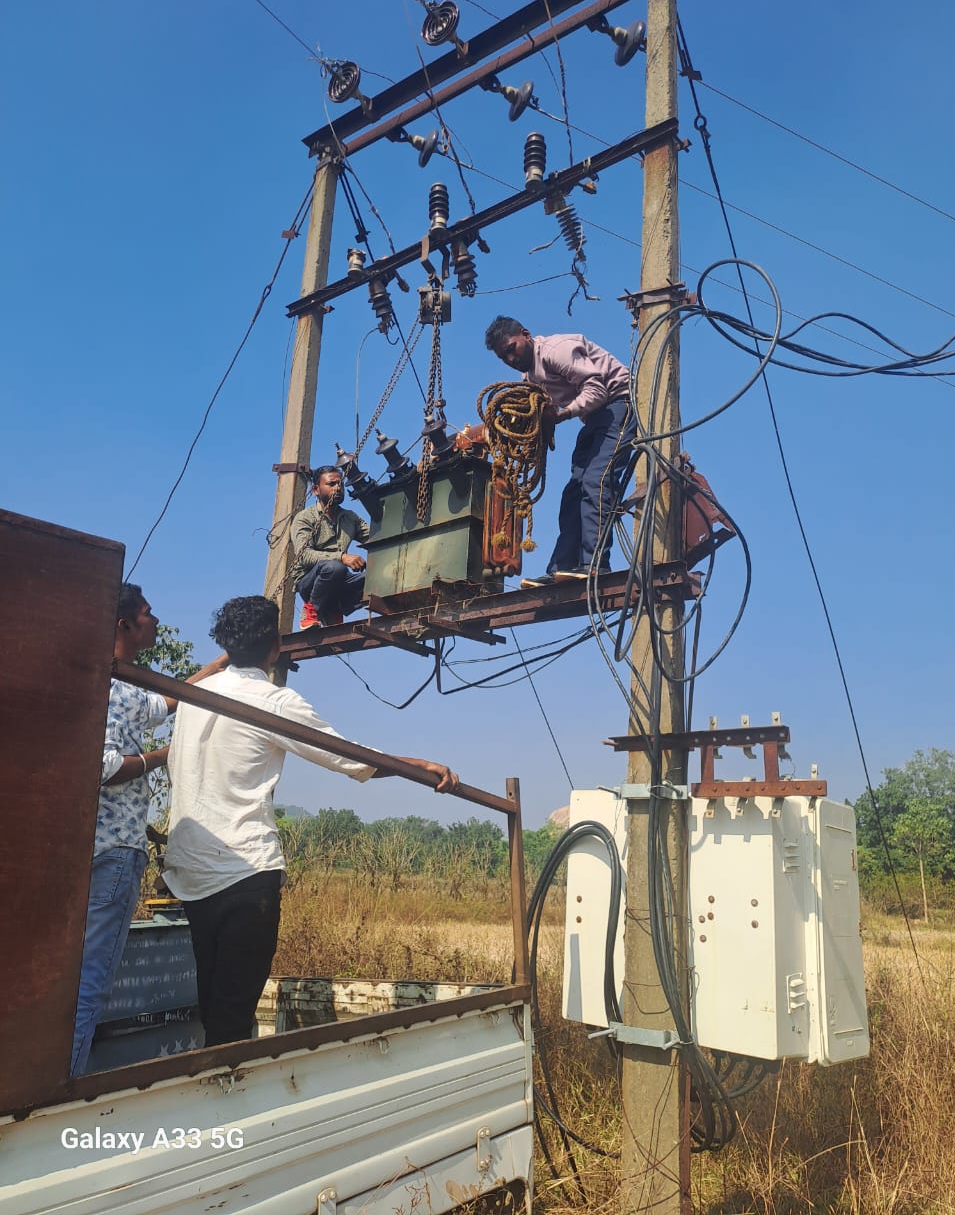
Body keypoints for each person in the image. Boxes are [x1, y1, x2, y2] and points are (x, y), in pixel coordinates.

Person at [163, 595, 458, 1049]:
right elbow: (347, 757)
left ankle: (218, 1096)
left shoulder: (193, 697)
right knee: (232, 1020)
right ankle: (229, 1103)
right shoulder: (272, 701)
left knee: (216, 1008)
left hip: (192, 874)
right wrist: (419, 765)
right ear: (275, 647)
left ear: (225, 645)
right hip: (244, 873)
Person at [71, 584, 227, 1077]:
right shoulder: (112, 685)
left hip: (93, 849)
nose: (155, 620)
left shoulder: (123, 682)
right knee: (90, 982)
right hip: (113, 850)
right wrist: (163, 757)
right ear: (124, 625)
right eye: (147, 613)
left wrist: (220, 665)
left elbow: (168, 702)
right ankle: (58, 1089)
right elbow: (107, 766)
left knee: (76, 977)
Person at [484, 316, 637, 587]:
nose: (509, 359)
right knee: (574, 491)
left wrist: (562, 415)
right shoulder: (529, 377)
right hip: (594, 418)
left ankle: (595, 564)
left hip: (618, 404)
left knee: (597, 481)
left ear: (526, 334)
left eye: (511, 349)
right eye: (502, 357)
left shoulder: (556, 352)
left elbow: (597, 389)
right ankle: (561, 568)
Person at [290, 466, 370, 629]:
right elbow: (304, 556)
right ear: (315, 490)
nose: (338, 488)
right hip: (310, 582)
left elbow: (374, 537)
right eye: (331, 484)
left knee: (376, 577)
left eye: (340, 484)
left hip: (339, 581)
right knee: (335, 567)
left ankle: (334, 607)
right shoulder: (305, 518)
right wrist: (342, 557)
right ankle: (311, 610)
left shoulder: (350, 518)